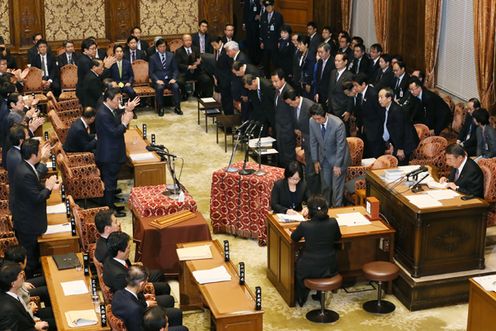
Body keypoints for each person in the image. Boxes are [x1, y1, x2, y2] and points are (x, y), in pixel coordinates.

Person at [12, 139, 59, 276]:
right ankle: (31, 285)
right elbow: (37, 198)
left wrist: (46, 186)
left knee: (34, 255)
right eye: (39, 151)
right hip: (27, 223)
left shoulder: (25, 167)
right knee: (30, 260)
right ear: (33, 155)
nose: (41, 153)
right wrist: (49, 188)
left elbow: (33, 188)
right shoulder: (25, 172)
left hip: (28, 218)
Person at [290, 195, 342, 307]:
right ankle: (320, 295)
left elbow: (294, 238)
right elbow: (337, 237)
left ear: (309, 211)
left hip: (309, 267)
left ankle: (301, 298)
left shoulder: (305, 225)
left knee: (297, 271)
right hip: (329, 266)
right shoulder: (333, 222)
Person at [95, 87, 137, 217]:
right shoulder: (103, 114)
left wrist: (127, 109)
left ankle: (111, 202)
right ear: (108, 99)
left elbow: (117, 112)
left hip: (111, 152)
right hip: (109, 155)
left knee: (112, 181)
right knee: (109, 184)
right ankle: (110, 210)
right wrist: (124, 123)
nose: (119, 102)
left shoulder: (108, 109)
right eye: (117, 99)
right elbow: (114, 132)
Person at [111, 265, 187, 331]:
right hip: (143, 325)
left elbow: (133, 303)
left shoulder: (118, 293)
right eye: (146, 281)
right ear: (141, 284)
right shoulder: (135, 309)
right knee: (183, 329)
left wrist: (145, 302)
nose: (147, 283)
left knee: (176, 313)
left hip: (136, 320)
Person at [309, 104, 351, 207]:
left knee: (336, 187)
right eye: (315, 119)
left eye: (319, 119)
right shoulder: (312, 121)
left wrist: (337, 165)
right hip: (324, 158)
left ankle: (337, 209)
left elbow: (341, 146)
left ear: (325, 115)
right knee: (326, 186)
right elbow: (313, 141)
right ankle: (325, 209)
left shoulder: (338, 124)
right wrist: (315, 161)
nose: (317, 121)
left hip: (338, 158)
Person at [0, 262, 51, 330]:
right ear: (13, 283)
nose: (23, 276)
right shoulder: (9, 310)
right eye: (20, 275)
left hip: (29, 319)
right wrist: (35, 327)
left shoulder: (11, 292)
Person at [378, 87, 419, 164]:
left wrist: (399, 150)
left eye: (381, 97)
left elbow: (399, 132)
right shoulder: (388, 108)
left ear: (389, 98)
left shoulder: (396, 111)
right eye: (378, 97)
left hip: (405, 146)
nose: (379, 100)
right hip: (396, 143)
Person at [351, 73, 384, 158]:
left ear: (363, 84)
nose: (354, 88)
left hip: (375, 131)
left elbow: (381, 114)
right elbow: (359, 112)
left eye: (356, 85)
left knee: (374, 156)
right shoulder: (359, 94)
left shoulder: (373, 94)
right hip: (364, 130)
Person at [149, 38, 182, 116]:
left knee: (176, 87)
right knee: (160, 88)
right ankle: (160, 108)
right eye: (160, 46)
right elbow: (151, 72)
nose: (162, 48)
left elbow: (175, 69)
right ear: (157, 48)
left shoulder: (171, 55)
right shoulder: (152, 58)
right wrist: (157, 80)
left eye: (164, 46)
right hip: (159, 80)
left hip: (170, 80)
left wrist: (174, 78)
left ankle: (177, 107)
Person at [271, 69, 296, 168]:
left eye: (276, 81)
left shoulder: (289, 91)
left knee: (288, 157)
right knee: (281, 154)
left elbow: (293, 112)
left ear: (283, 79)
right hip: (279, 128)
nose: (274, 84)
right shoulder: (278, 90)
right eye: (272, 81)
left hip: (288, 129)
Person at [175, 34, 212, 99]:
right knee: (179, 81)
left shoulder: (196, 49)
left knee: (207, 79)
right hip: (185, 72)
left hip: (196, 71)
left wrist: (198, 62)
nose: (188, 42)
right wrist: (189, 67)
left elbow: (199, 59)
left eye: (190, 40)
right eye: (186, 40)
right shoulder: (179, 51)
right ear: (183, 41)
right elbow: (178, 64)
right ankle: (184, 93)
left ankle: (200, 93)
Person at [327, 52, 353, 134]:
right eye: (335, 60)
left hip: (342, 109)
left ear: (345, 62)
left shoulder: (349, 75)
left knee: (343, 133)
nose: (336, 63)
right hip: (331, 108)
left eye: (339, 61)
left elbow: (351, 95)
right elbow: (331, 89)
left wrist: (348, 110)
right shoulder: (333, 72)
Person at [259, 0, 284, 77]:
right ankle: (267, 77)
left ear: (273, 6)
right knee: (265, 62)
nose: (268, 8)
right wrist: (261, 41)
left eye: (270, 6)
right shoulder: (263, 16)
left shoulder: (278, 16)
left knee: (275, 62)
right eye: (266, 6)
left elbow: (281, 29)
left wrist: (279, 41)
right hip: (266, 43)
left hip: (274, 43)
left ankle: (275, 77)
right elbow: (261, 30)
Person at [293, 35, 315, 99]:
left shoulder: (310, 56)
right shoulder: (299, 53)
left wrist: (308, 83)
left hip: (306, 83)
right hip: (299, 81)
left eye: (300, 44)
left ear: (306, 45)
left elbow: (311, 71)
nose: (298, 46)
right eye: (298, 44)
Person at [313, 42, 333, 106]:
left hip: (328, 95)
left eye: (321, 52)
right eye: (318, 52)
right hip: (319, 94)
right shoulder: (319, 61)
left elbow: (331, 82)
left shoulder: (333, 63)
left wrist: (329, 97)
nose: (319, 54)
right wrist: (316, 92)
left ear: (328, 51)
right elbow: (318, 79)